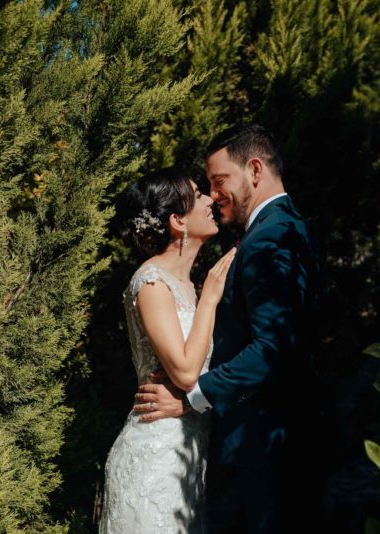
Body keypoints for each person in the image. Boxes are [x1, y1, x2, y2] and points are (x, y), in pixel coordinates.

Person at [135, 124, 323, 533]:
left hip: (262, 452)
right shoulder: (284, 228)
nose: (213, 194)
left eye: (219, 181)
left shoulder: (270, 238)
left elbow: (273, 348)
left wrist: (192, 399)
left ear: (254, 169)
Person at [99, 167, 236, 533]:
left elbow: (202, 380)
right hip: (153, 465)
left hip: (188, 463)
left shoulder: (187, 285)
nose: (210, 199)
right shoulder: (151, 282)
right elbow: (187, 372)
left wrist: (191, 402)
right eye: (198, 194)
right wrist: (209, 299)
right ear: (178, 221)